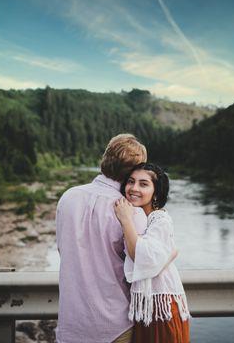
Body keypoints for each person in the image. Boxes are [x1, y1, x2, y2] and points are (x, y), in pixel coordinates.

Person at [56, 134, 147, 343]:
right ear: (134, 171)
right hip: (115, 326)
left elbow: (64, 250)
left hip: (71, 325)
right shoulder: (130, 211)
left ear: (105, 159)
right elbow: (141, 268)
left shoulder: (68, 197)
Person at [114, 162, 190, 343]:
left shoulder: (160, 219)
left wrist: (125, 220)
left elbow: (141, 257)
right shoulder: (140, 217)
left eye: (143, 184)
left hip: (161, 310)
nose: (133, 188)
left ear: (156, 192)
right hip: (145, 308)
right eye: (131, 182)